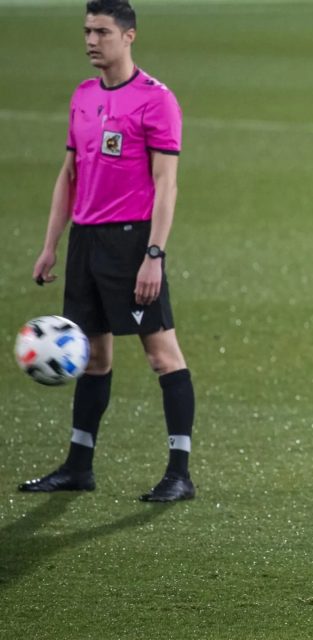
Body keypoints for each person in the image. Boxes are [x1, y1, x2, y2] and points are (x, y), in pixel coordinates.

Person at [18, 0, 195, 502]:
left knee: (162, 355)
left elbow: (167, 183)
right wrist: (51, 245)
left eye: (101, 31)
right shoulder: (83, 95)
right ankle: (79, 466)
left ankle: (179, 472)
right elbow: (68, 175)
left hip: (131, 242)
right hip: (86, 240)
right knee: (93, 358)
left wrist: (154, 254)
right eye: (86, 32)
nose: (91, 41)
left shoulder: (156, 100)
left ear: (129, 36)